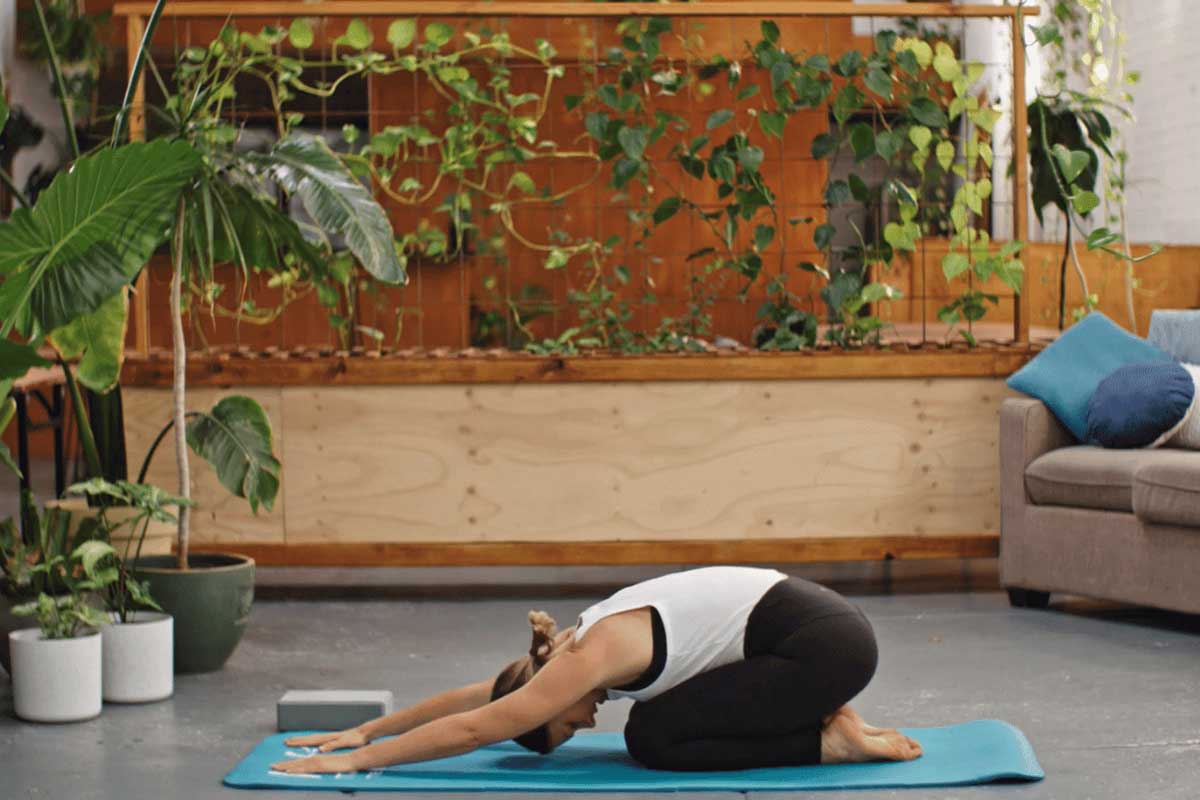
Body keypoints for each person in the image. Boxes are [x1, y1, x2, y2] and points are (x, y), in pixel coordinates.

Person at [272, 566, 922, 774]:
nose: (584, 725)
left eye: (564, 728)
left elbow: (480, 727)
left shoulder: (585, 658)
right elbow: (481, 697)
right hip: (819, 635)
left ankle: (824, 740)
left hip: (825, 647)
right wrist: (371, 730)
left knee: (652, 736)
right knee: (655, 722)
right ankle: (818, 723)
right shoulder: (561, 659)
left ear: (545, 697)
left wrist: (352, 766)